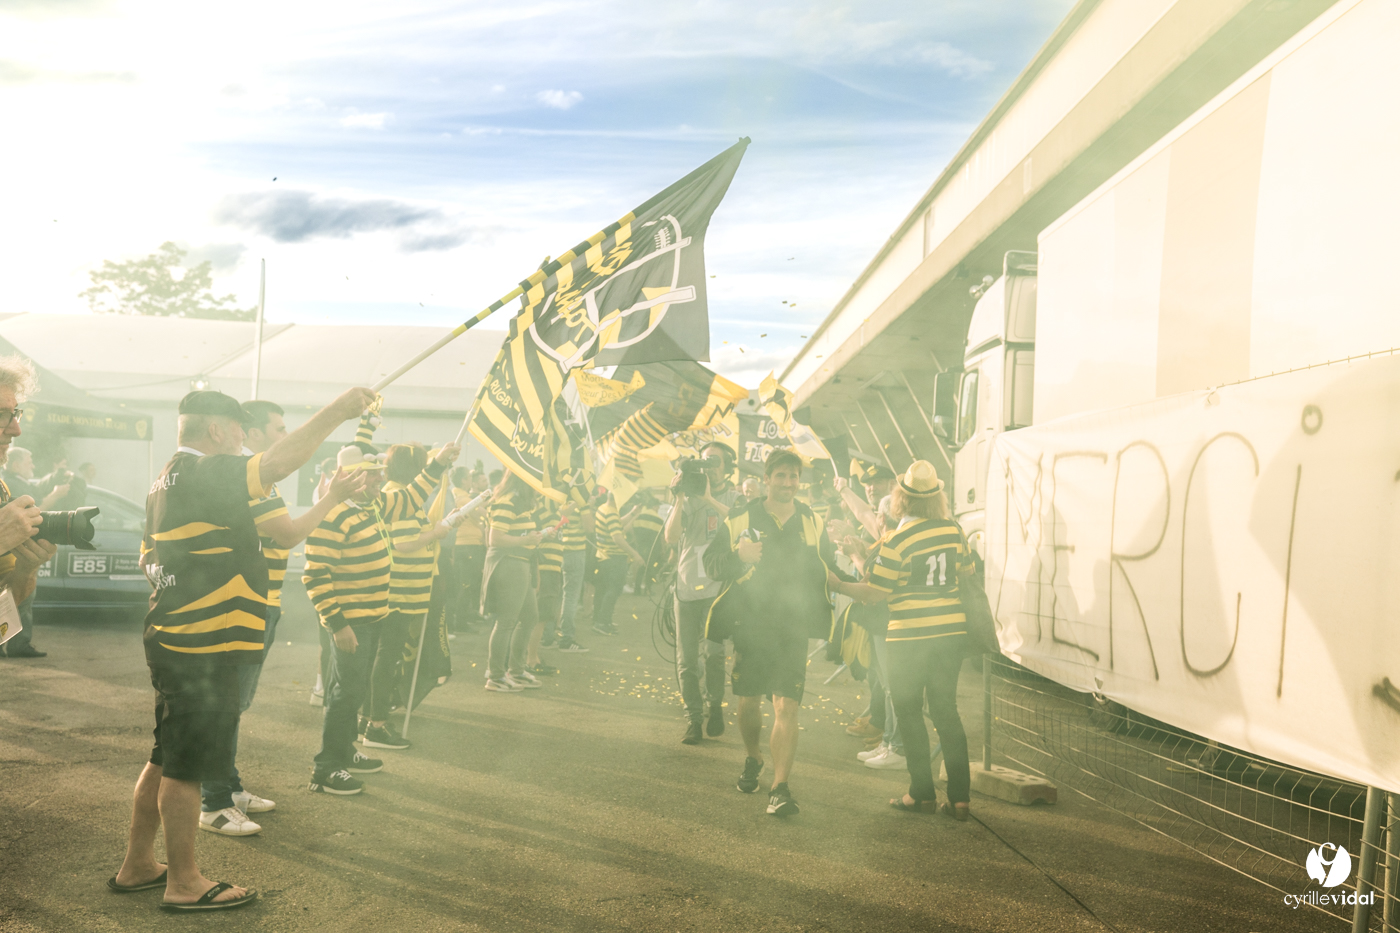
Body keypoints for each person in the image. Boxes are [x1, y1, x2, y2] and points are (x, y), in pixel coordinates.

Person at [113, 386, 374, 911]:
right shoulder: (205, 471)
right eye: (237, 432)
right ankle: (184, 882)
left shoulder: (164, 480)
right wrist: (340, 409)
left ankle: (139, 863)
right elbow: (275, 464)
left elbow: (148, 559)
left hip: (176, 637)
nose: (242, 443)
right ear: (216, 430)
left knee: (165, 757)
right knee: (187, 768)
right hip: (203, 645)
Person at [197, 399, 370, 834]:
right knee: (226, 706)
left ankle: (228, 787)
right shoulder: (245, 481)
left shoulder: (251, 481)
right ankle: (214, 799)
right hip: (243, 606)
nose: (285, 437)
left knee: (234, 706)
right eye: (277, 430)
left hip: (260, 602)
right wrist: (332, 496)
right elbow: (289, 535)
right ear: (250, 434)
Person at [304, 434, 459, 793]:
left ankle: (344, 749)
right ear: (352, 479)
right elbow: (315, 574)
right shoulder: (333, 515)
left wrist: (438, 463)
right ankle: (326, 767)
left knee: (354, 690)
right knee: (345, 693)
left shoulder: (372, 505)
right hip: (352, 622)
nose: (379, 478)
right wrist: (338, 624)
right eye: (372, 474)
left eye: (379, 472)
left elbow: (410, 496)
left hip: (373, 616)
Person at [703, 449, 843, 817]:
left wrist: (854, 587)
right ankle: (753, 758)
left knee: (787, 704)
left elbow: (824, 567)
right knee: (748, 704)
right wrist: (740, 558)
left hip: (792, 626)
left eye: (793, 477)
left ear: (800, 481)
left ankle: (780, 788)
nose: (787, 483)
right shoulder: (741, 516)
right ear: (766, 479)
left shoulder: (812, 520)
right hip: (750, 624)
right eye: (780, 476)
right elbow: (712, 564)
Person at [837, 460, 974, 819]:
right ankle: (960, 798)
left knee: (910, 712)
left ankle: (921, 793)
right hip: (950, 635)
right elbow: (967, 572)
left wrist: (836, 584)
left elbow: (875, 592)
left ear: (901, 498)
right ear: (937, 498)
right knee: (947, 712)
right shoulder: (954, 531)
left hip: (908, 638)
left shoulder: (897, 540)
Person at [367, 443, 454, 750]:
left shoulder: (399, 493)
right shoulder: (400, 496)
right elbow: (403, 543)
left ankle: (374, 718)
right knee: (386, 657)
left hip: (404, 592)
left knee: (385, 657)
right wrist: (436, 533)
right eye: (424, 465)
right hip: (399, 593)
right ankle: (375, 724)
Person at [663, 442, 739, 745]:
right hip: (685, 587)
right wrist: (681, 498)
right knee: (686, 659)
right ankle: (693, 717)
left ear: (728, 466)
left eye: (716, 461)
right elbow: (670, 537)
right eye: (705, 461)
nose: (710, 467)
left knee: (715, 654)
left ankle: (714, 705)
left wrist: (709, 498)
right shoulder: (687, 497)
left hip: (717, 589)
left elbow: (740, 526)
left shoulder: (734, 498)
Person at [0, 361, 56, 662]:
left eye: (14, 413)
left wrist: (26, 569)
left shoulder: (1, 491)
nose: (16, 429)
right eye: (1, 415)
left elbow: (0, 626)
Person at [482, 471, 543, 692]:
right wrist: (526, 539)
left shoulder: (516, 502)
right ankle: (496, 676)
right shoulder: (507, 501)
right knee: (507, 620)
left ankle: (515, 671)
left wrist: (535, 537)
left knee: (529, 617)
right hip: (509, 563)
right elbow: (494, 538)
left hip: (519, 562)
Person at [590, 489, 643, 637]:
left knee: (603, 590)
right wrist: (635, 553)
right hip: (614, 557)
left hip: (603, 556)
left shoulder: (604, 508)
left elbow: (617, 525)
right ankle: (603, 621)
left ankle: (599, 620)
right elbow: (618, 537)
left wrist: (633, 514)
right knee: (613, 590)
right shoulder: (612, 512)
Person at [555, 483, 593, 653]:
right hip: (576, 552)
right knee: (570, 596)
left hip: (560, 551)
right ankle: (566, 637)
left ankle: (550, 635)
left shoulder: (561, 503)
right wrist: (584, 505)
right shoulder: (579, 505)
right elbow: (589, 528)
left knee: (559, 595)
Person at [449, 467, 488, 632]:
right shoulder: (463, 499)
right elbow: (479, 514)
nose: (471, 482)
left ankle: (463, 617)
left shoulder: (455, 495)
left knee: (464, 583)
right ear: (464, 481)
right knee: (466, 584)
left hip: (463, 544)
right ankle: (460, 622)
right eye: (469, 479)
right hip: (468, 544)